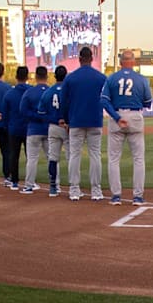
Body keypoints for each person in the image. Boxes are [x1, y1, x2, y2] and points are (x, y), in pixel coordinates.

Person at [101, 50, 153, 206]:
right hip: (135, 116)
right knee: (138, 159)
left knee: (114, 158)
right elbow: (148, 102)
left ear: (121, 62)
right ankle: (137, 196)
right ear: (133, 62)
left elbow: (103, 101)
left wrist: (117, 118)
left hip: (117, 116)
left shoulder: (112, 78)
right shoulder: (141, 80)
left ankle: (116, 196)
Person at [60, 46, 106, 202]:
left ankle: (74, 189)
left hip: (76, 121)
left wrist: (65, 120)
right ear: (91, 58)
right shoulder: (100, 77)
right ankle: (96, 190)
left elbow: (64, 102)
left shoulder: (70, 78)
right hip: (95, 120)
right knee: (95, 155)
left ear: (79, 59)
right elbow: (106, 99)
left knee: (75, 155)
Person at [38, 66, 69, 197]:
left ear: (55, 76)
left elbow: (41, 112)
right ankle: (73, 186)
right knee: (71, 157)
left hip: (53, 126)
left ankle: (53, 187)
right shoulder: (69, 91)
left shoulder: (48, 92)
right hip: (67, 127)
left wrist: (55, 120)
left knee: (53, 157)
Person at [19, 66, 49, 194]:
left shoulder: (29, 92)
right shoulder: (50, 91)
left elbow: (23, 110)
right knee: (52, 158)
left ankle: (29, 185)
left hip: (33, 128)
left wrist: (36, 116)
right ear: (47, 76)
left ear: (36, 77)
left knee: (32, 158)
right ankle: (55, 186)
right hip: (48, 129)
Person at [2, 66, 31, 191]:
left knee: (13, 155)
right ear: (27, 77)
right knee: (30, 156)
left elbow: (5, 113)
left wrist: (6, 126)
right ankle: (30, 181)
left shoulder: (9, 93)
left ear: (16, 77)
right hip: (28, 128)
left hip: (13, 128)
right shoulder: (31, 91)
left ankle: (14, 181)